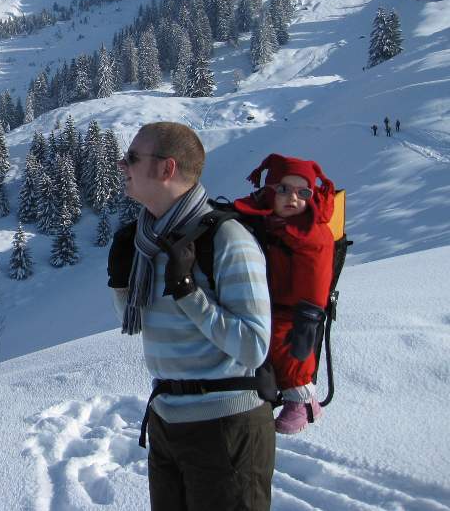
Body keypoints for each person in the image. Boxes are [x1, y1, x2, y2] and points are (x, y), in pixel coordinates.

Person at [108, 122, 273, 510]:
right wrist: (121, 284)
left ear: (166, 168)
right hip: (167, 421)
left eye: (132, 157)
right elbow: (146, 327)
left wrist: (188, 292)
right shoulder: (149, 242)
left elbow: (254, 347)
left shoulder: (226, 239)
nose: (121, 164)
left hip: (226, 427)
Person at [233, 154, 335, 435]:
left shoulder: (312, 232)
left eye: (303, 193)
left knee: (285, 343)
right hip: (263, 297)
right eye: (283, 189)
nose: (293, 198)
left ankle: (302, 399)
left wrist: (308, 317)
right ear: (269, 190)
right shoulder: (267, 218)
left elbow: (316, 279)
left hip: (295, 307)